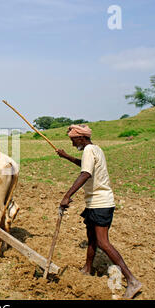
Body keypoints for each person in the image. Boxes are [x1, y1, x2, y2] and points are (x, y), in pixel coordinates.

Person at [56, 124, 142, 299]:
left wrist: (67, 195)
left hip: (100, 203)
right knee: (92, 238)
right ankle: (87, 268)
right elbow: (85, 166)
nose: (73, 144)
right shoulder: (95, 149)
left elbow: (85, 173)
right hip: (95, 203)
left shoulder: (88, 150)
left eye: (73, 141)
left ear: (82, 138)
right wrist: (67, 157)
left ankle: (132, 281)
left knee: (103, 242)